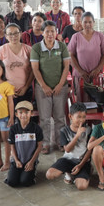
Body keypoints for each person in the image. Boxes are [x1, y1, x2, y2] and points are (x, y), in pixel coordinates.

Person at [30, 20, 71, 154]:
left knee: (60, 117)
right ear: (42, 33)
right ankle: (45, 143)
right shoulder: (36, 48)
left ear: (56, 32)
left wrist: (60, 85)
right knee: (44, 118)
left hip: (61, 87)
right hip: (42, 88)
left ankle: (60, 142)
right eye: (47, 31)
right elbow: (35, 69)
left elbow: (66, 67)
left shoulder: (62, 46)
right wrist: (44, 86)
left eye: (52, 31)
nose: (50, 34)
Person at [46, 102, 93, 190]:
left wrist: (80, 165)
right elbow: (67, 149)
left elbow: (89, 150)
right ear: (70, 116)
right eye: (78, 117)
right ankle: (69, 172)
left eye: (83, 117)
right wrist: (77, 135)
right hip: (68, 160)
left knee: (82, 186)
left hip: (82, 162)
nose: (81, 120)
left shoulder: (88, 130)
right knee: (50, 174)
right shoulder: (64, 130)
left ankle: (82, 173)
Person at [68, 12, 104, 101]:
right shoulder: (76, 37)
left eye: (90, 22)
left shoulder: (100, 36)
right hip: (80, 76)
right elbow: (71, 55)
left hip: (97, 76)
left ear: (93, 22)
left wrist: (97, 69)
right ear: (81, 22)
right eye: (85, 22)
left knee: (98, 102)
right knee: (82, 102)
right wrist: (80, 71)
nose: (87, 24)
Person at [0, 23, 34, 106]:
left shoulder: (28, 50)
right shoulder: (1, 50)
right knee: (9, 117)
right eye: (10, 34)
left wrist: (25, 87)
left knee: (24, 117)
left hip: (25, 91)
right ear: (6, 36)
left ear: (21, 34)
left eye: (16, 33)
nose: (13, 36)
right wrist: (6, 88)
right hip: (6, 91)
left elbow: (34, 70)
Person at [6, 101, 43, 187]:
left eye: (27, 112)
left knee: (25, 182)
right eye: (20, 112)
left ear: (32, 113)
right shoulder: (13, 129)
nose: (23, 115)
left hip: (30, 160)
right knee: (12, 182)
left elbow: (39, 146)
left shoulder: (36, 128)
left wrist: (31, 162)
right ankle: (17, 170)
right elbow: (12, 146)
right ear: (16, 114)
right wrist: (16, 160)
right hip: (17, 160)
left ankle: (33, 170)